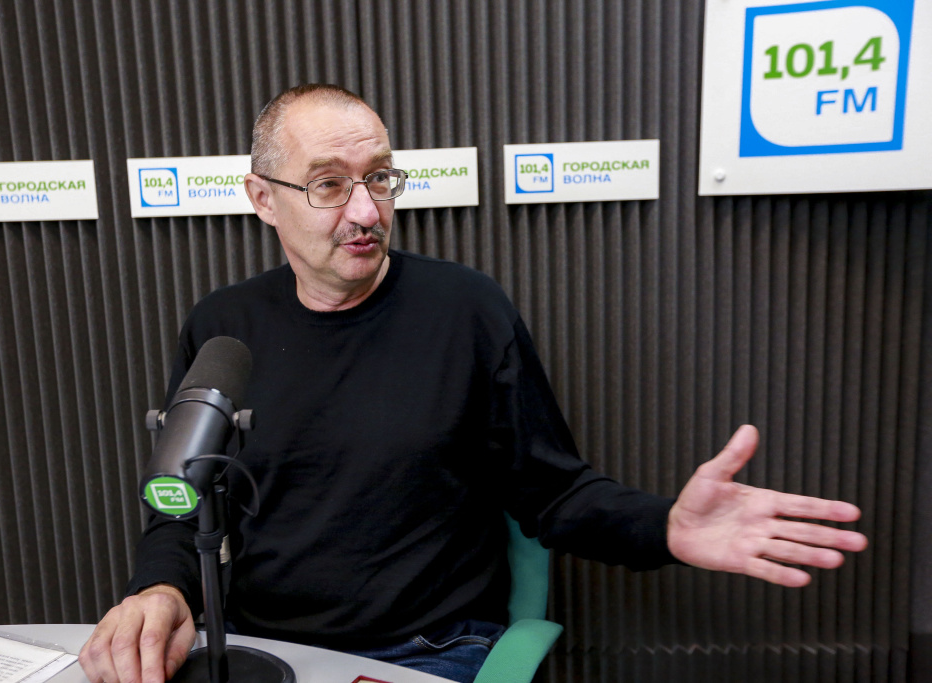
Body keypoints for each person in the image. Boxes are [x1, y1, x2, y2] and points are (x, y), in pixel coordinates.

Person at [79, 84, 868, 683]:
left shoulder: (466, 309)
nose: (366, 211)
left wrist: (667, 526)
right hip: (261, 648)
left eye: (379, 177)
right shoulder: (223, 325)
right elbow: (180, 499)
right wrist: (160, 589)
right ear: (263, 199)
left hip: (429, 650)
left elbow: (553, 493)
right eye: (328, 184)